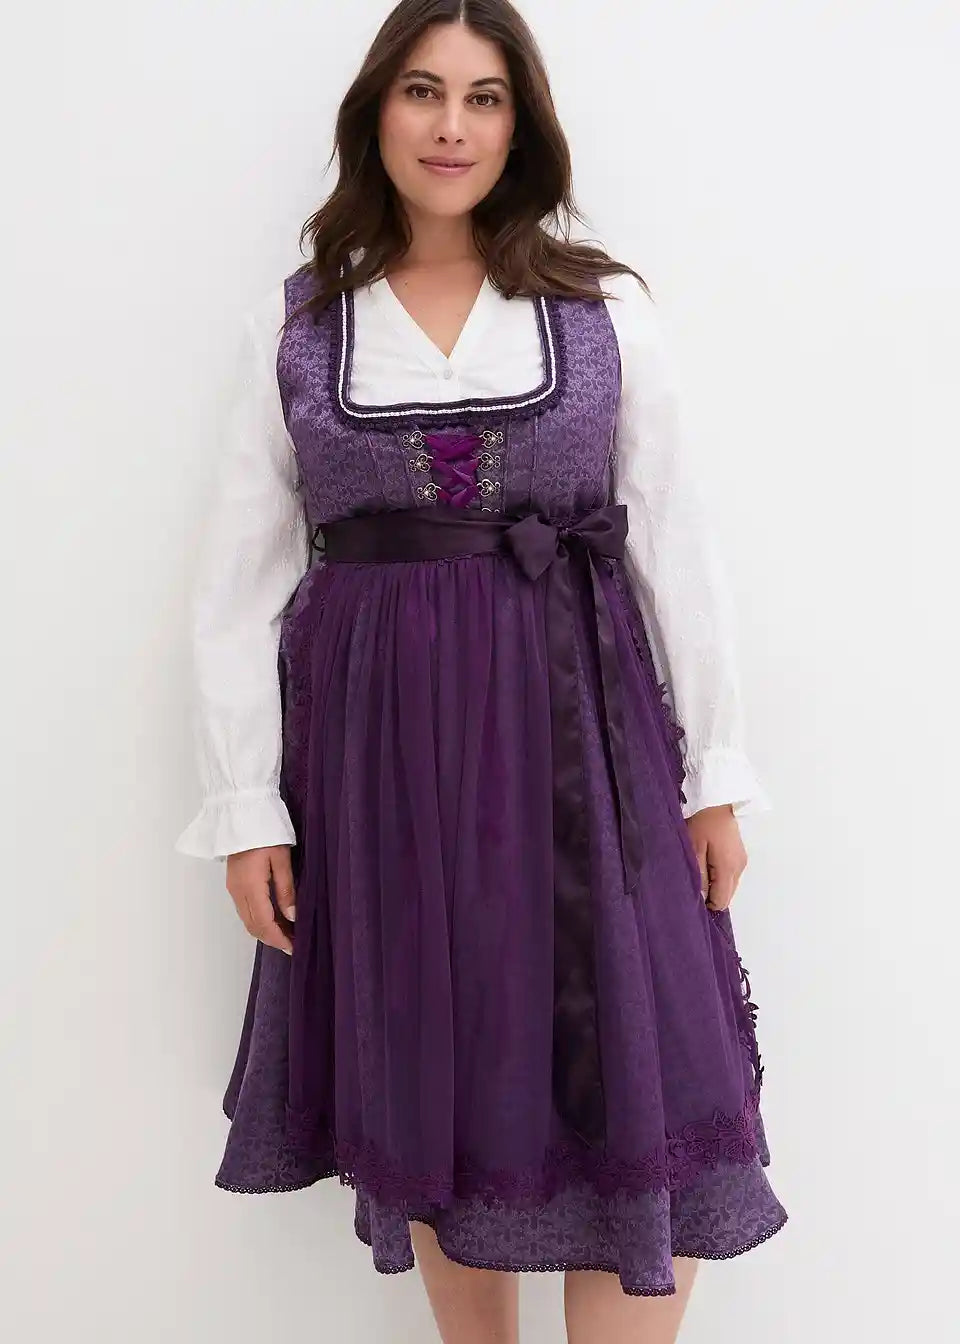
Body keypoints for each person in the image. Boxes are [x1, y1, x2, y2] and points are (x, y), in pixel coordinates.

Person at [174, 2, 788, 1340]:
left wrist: (717, 778)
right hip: (386, 770)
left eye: (485, 97)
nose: (452, 126)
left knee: (640, 1058)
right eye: (423, 91)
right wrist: (247, 811)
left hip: (590, 750)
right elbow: (236, 587)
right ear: (376, 115)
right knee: (443, 1067)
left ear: (522, 126)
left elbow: (677, 543)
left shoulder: (600, 310)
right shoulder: (299, 328)